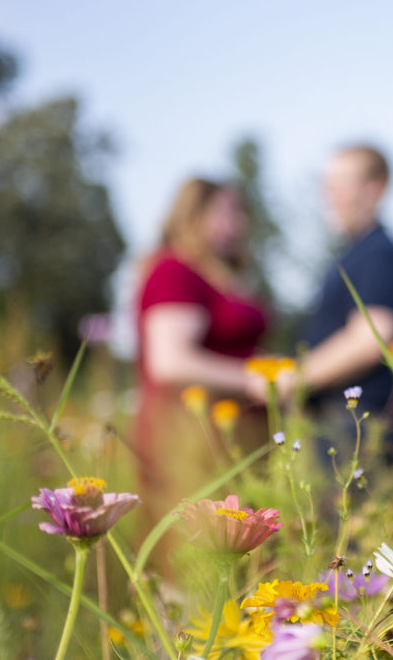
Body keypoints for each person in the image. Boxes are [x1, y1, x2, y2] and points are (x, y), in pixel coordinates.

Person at [133, 177, 279, 569]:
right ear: (193, 214)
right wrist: (253, 377)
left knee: (239, 565)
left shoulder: (219, 273)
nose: (239, 223)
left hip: (230, 442)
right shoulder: (173, 271)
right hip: (189, 441)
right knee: (190, 561)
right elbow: (170, 361)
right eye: (228, 211)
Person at [297, 144, 393, 468]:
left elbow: (373, 336)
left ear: (375, 189)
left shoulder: (378, 252)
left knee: (348, 514)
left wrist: (294, 379)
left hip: (358, 422)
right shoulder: (356, 251)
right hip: (344, 419)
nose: (327, 195)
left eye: (338, 185)